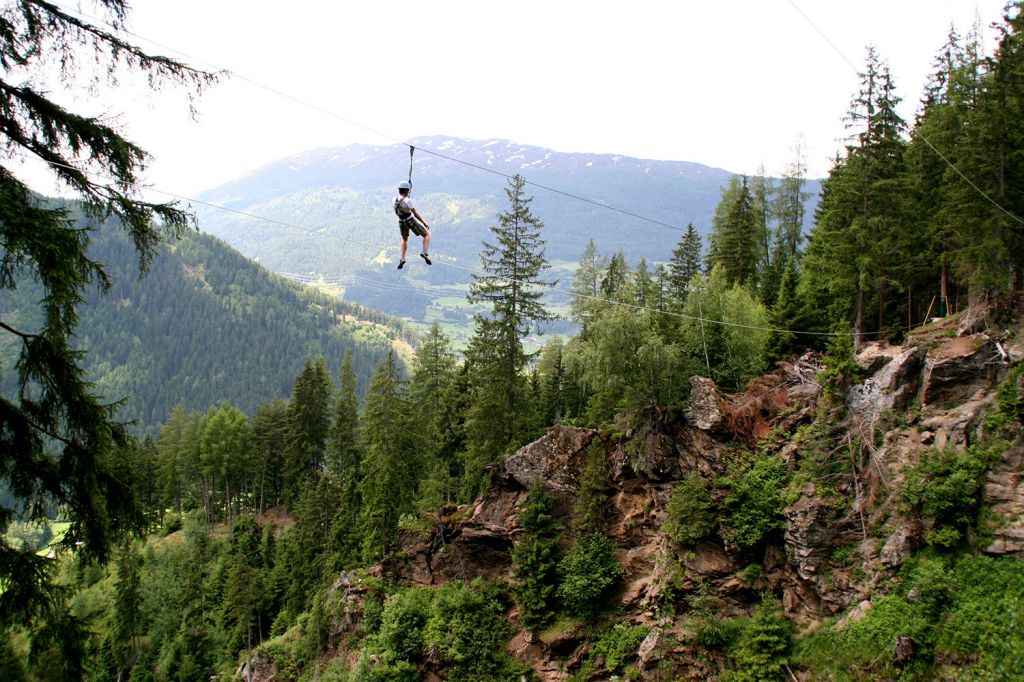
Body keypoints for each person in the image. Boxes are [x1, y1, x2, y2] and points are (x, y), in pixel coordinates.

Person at [393, 181, 431, 269]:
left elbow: (402, 205)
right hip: (411, 221)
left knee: (404, 240)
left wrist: (407, 194)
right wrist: (424, 223)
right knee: (427, 235)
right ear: (407, 190)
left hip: (401, 222)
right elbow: (415, 214)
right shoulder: (408, 200)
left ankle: (402, 258)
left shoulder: (394, 199)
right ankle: (424, 252)